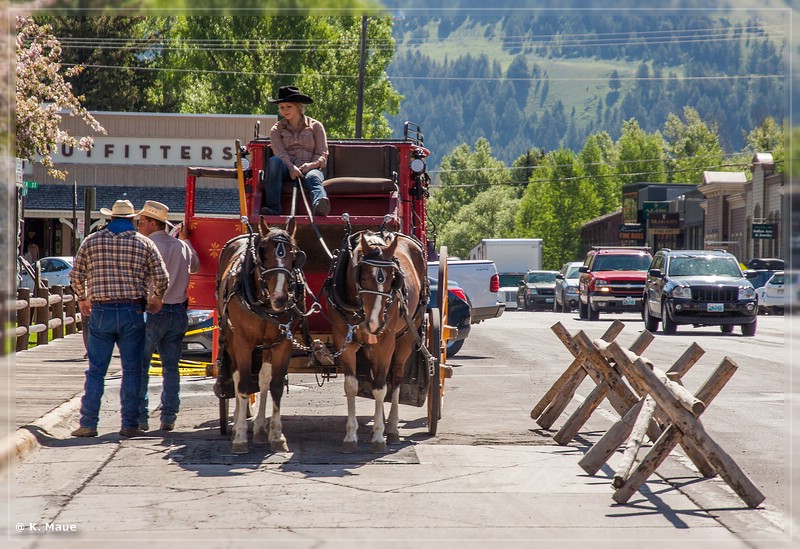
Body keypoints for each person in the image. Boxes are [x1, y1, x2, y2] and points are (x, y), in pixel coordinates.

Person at [69, 199, 169, 439]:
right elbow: (162, 277)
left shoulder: (91, 241)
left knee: (96, 370)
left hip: (101, 311)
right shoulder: (144, 243)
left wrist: (83, 299)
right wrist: (156, 298)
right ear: (133, 220)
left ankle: (89, 423)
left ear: (110, 218)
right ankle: (129, 424)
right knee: (132, 370)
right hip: (131, 311)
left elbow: (75, 276)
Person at [135, 200, 199, 432]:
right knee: (171, 367)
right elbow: (197, 265)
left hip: (153, 311)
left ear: (152, 223)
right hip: (178, 311)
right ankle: (169, 416)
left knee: (141, 366)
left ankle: (141, 417)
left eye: (141, 222)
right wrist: (186, 240)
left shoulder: (145, 245)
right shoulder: (181, 246)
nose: (138, 226)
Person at [261, 85, 330, 217]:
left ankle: (320, 206)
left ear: (298, 107)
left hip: (311, 168)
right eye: (282, 107)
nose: (285, 110)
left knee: (314, 176)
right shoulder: (276, 129)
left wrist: (310, 165)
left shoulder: (316, 126)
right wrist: (291, 167)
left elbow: (322, 154)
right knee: (274, 161)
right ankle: (273, 209)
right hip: (286, 169)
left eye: (289, 106)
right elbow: (280, 153)